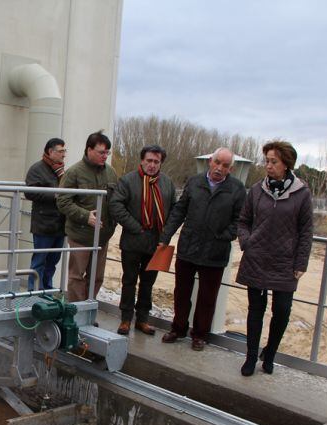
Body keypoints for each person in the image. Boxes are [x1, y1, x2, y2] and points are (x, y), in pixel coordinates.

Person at [237, 141, 313, 376]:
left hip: (285, 262)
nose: (268, 166)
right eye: (266, 161)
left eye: (273, 162)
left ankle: (269, 353)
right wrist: (247, 242)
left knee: (282, 310)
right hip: (256, 259)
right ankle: (250, 357)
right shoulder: (257, 190)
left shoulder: (301, 193)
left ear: (286, 164)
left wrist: (301, 262)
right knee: (255, 310)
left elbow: (306, 230)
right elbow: (243, 220)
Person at [159, 147, 246, 351]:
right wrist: (166, 236)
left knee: (207, 297)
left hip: (215, 253)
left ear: (230, 169)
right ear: (210, 162)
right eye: (217, 162)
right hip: (188, 247)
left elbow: (240, 220)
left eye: (225, 165)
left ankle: (200, 335)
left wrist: (223, 236)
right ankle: (178, 328)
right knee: (181, 293)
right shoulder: (194, 182)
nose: (219, 168)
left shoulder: (237, 189)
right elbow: (180, 210)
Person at [109, 145, 176, 336]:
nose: (152, 165)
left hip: (157, 243)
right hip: (133, 240)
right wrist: (135, 227)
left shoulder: (167, 184)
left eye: (156, 161)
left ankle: (143, 319)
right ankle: (125, 319)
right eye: (149, 161)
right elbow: (116, 205)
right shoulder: (128, 180)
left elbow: (175, 211)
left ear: (161, 163)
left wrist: (166, 236)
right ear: (142, 160)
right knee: (129, 280)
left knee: (148, 283)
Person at [56, 130, 118, 302]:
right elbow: (62, 201)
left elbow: (117, 199)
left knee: (96, 277)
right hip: (80, 235)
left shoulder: (111, 172)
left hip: (103, 236)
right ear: (89, 150)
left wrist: (115, 221)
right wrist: (85, 216)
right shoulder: (74, 172)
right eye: (101, 152)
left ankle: (88, 309)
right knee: (76, 277)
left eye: (107, 152)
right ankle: (76, 313)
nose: (105, 156)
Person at [25, 138, 66, 291]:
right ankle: (34, 292)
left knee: (53, 261)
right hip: (43, 224)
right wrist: (54, 195)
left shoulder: (60, 171)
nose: (64, 155)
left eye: (64, 151)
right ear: (50, 152)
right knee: (39, 261)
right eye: (60, 151)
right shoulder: (37, 169)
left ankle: (47, 289)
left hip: (60, 225)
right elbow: (30, 192)